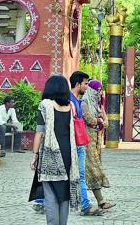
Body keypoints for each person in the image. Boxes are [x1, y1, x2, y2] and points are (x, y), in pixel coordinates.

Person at [29, 74, 81, 224]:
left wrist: (34, 155)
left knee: (51, 193)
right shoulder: (70, 106)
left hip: (50, 154)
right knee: (64, 193)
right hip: (68, 154)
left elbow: (40, 131)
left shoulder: (45, 104)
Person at [69, 70, 102, 216]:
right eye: (85, 84)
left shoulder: (78, 101)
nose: (87, 87)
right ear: (78, 84)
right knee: (66, 174)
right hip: (73, 143)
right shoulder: (69, 101)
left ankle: (85, 204)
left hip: (80, 143)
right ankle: (42, 201)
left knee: (80, 175)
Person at [81, 79, 115, 211]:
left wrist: (100, 120)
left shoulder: (98, 105)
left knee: (92, 170)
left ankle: (96, 201)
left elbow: (106, 122)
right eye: (97, 90)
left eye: (100, 90)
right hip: (86, 142)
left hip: (96, 143)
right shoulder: (84, 103)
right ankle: (100, 201)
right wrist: (99, 120)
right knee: (93, 170)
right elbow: (89, 119)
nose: (99, 92)